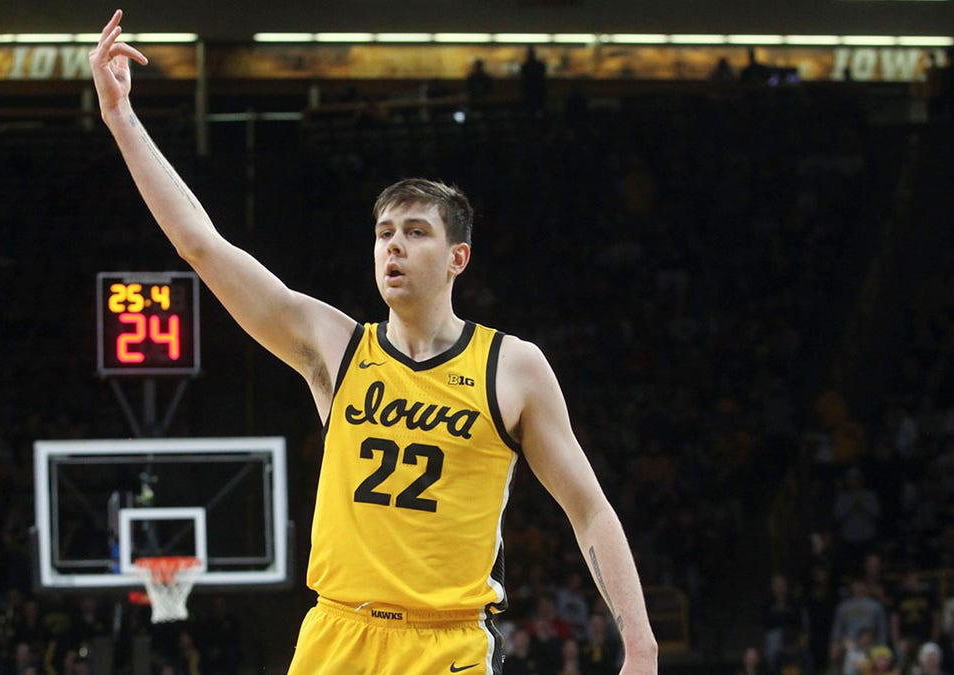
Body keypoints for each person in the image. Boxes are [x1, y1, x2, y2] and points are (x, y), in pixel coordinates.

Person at [88, 10, 657, 674]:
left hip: (447, 642)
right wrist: (122, 119)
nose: (394, 243)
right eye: (385, 231)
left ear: (458, 258)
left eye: (416, 231)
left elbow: (589, 509)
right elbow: (201, 244)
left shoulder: (513, 367)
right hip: (336, 634)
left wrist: (640, 643)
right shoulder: (334, 345)